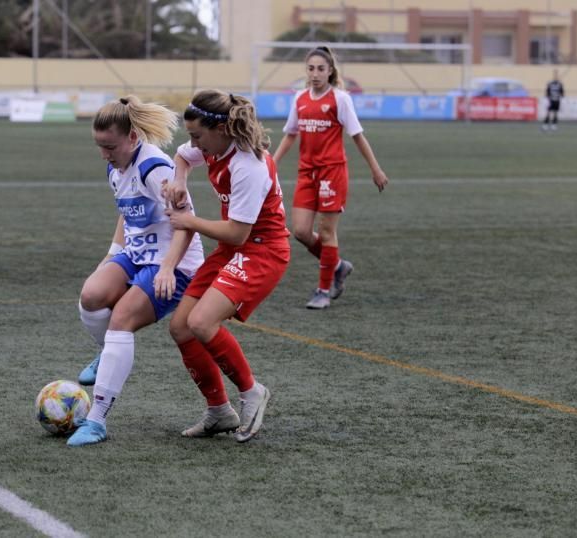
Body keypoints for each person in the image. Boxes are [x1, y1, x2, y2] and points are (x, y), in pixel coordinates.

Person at [67, 96, 204, 447]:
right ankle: (107, 353)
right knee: (91, 295)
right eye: (99, 146)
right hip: (138, 254)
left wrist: (169, 268)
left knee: (121, 320)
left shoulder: (155, 168)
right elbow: (126, 214)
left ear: (132, 138)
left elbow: (186, 223)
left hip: (175, 263)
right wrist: (110, 257)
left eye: (109, 146)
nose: (104, 154)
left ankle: (96, 421)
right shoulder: (116, 165)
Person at [165, 90, 290, 443]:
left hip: (262, 252)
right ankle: (219, 411)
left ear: (221, 129)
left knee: (201, 322)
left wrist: (189, 221)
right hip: (233, 248)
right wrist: (178, 179)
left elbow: (237, 233)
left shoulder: (248, 165)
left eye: (197, 136)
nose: (194, 144)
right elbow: (181, 156)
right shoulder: (213, 146)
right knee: (181, 327)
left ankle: (252, 392)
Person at [272, 46, 388, 309]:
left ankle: (323, 290)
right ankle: (337, 265)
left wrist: (375, 169)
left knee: (326, 232)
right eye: (311, 68)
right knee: (300, 231)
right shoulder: (300, 98)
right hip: (306, 172)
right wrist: (272, 163)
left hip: (332, 172)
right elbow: (291, 134)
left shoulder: (340, 99)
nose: (315, 74)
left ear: (330, 71)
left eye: (321, 69)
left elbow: (357, 135)